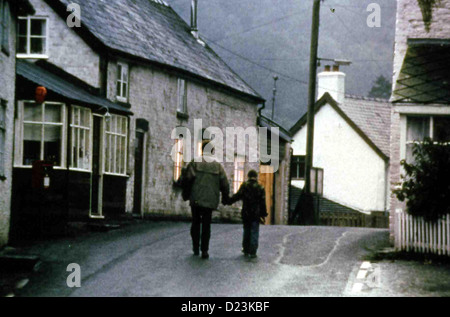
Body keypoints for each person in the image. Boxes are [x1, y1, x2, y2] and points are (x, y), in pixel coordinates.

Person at [178, 140, 230, 259]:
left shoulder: (195, 163)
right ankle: (205, 250)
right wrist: (225, 198)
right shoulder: (218, 166)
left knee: (196, 223)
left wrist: (186, 194)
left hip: (196, 199)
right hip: (210, 201)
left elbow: (187, 180)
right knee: (206, 225)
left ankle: (196, 247)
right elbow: (225, 184)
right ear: (212, 151)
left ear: (202, 149)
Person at [227, 170, 267, 258]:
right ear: (256, 177)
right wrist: (263, 215)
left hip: (246, 212)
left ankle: (246, 249)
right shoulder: (260, 187)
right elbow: (262, 202)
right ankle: (253, 251)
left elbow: (237, 196)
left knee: (247, 230)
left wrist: (228, 201)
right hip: (256, 213)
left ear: (248, 176)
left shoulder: (244, 186)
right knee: (254, 231)